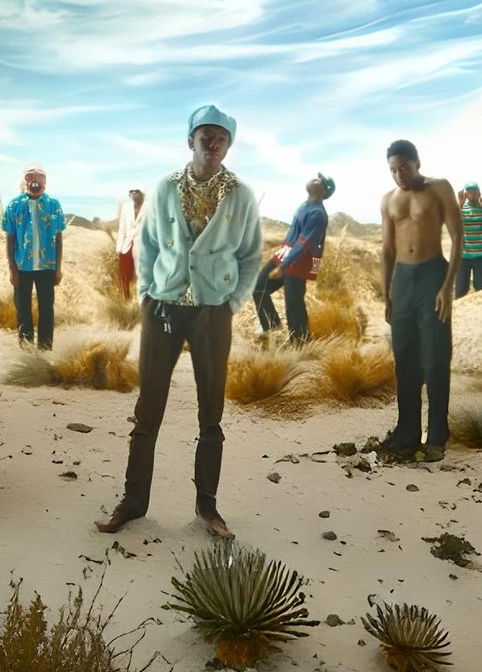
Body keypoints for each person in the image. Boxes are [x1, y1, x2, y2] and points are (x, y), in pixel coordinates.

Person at [95, 104, 262, 539]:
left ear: (229, 144)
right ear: (191, 140)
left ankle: (208, 508)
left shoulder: (240, 195)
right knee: (148, 409)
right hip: (164, 308)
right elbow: (147, 243)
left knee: (211, 412)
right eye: (204, 136)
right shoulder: (165, 187)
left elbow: (250, 256)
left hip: (213, 312)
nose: (212, 143)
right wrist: (149, 293)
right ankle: (133, 503)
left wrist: (232, 303)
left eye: (220, 137)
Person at [380, 139, 463, 463]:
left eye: (404, 167)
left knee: (435, 358)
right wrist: (386, 292)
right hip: (403, 280)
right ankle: (407, 430)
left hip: (432, 275)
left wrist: (447, 287)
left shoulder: (439, 188)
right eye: (393, 170)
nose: (399, 174)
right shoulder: (389, 200)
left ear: (416, 163)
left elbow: (458, 237)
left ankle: (438, 435)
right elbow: (387, 250)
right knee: (405, 359)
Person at [252, 173, 335, 341]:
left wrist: (283, 267)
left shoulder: (318, 214)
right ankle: (272, 327)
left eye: (320, 181)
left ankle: (300, 343)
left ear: (324, 192)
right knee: (259, 287)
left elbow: (304, 244)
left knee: (294, 303)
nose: (315, 179)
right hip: (286, 254)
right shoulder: (305, 205)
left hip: (299, 260)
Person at [1, 165, 65, 349]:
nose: (35, 181)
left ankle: (45, 349)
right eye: (30, 177)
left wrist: (58, 269)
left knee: (46, 309)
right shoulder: (14, 205)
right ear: (24, 181)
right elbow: (10, 238)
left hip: (47, 266)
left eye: (40, 177)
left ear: (45, 182)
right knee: (23, 310)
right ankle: (26, 351)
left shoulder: (54, 205)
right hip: (22, 267)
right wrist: (12, 269)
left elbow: (59, 237)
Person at [455, 182, 482, 298]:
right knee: (460, 291)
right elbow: (453, 225)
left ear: (479, 193)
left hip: (480, 256)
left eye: (475, 191)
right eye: (469, 191)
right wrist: (460, 205)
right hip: (463, 257)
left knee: (481, 291)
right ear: (466, 194)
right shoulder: (461, 208)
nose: (472, 194)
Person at [115, 188, 147, 297]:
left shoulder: (150, 207)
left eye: (136, 191)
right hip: (127, 245)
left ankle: (143, 300)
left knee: (143, 274)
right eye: (131, 191)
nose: (133, 193)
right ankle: (125, 298)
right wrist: (119, 248)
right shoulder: (126, 207)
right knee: (123, 274)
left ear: (142, 193)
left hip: (143, 245)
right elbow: (122, 229)